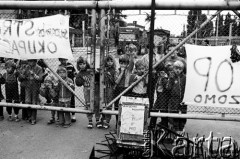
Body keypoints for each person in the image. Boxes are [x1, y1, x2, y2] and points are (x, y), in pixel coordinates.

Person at [75, 56, 101, 129]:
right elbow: (78, 84)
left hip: (95, 89)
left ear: (86, 63)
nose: (82, 65)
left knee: (97, 103)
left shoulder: (91, 70)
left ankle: (97, 119)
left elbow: (98, 78)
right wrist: (78, 79)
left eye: (83, 63)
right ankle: (90, 120)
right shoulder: (80, 73)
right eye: (80, 64)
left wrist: (97, 73)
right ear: (78, 65)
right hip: (87, 90)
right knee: (88, 104)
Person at [166, 60, 187, 134]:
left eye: (180, 69)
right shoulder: (172, 77)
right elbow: (168, 88)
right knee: (174, 113)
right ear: (173, 68)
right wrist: (171, 79)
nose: (178, 70)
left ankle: (181, 127)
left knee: (182, 114)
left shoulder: (184, 77)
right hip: (174, 99)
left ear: (182, 69)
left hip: (183, 99)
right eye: (176, 68)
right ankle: (175, 128)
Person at [22, 59, 43, 125]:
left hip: (35, 87)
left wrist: (34, 74)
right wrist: (23, 73)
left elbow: (40, 78)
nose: (30, 63)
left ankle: (33, 118)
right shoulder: (26, 67)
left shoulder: (39, 68)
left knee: (34, 102)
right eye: (29, 61)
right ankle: (29, 116)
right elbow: (21, 78)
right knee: (27, 101)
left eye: (32, 61)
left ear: (35, 61)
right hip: (27, 86)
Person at [101, 55, 117, 129]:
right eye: (108, 61)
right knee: (102, 103)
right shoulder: (103, 69)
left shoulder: (114, 71)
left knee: (109, 104)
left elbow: (115, 82)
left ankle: (107, 120)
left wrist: (109, 76)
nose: (109, 63)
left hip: (110, 88)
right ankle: (103, 119)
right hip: (103, 88)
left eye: (111, 61)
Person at [58, 58, 76, 122]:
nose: (63, 61)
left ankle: (73, 114)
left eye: (64, 60)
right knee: (61, 99)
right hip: (62, 84)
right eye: (61, 60)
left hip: (69, 83)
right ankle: (61, 116)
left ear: (66, 59)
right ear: (59, 60)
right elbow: (57, 74)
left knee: (72, 99)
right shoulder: (59, 66)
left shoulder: (70, 65)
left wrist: (72, 75)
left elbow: (75, 73)